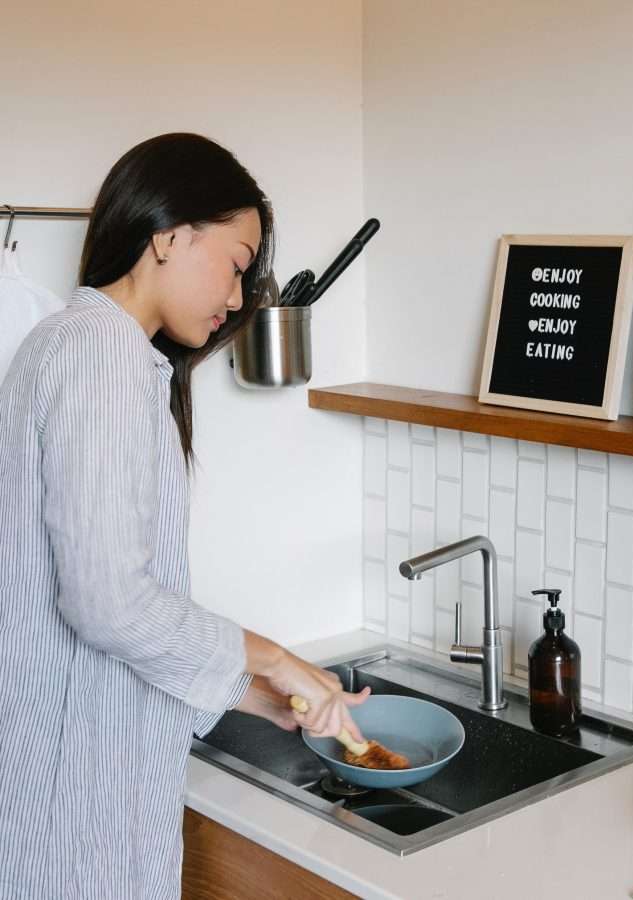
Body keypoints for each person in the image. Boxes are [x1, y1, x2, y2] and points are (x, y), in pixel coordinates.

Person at [0, 133, 369, 900]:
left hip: (81, 788)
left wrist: (254, 694)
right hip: (71, 810)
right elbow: (105, 600)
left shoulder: (105, 355)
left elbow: (124, 616)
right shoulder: (94, 354)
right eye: (236, 264)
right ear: (169, 234)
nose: (238, 298)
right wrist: (271, 656)